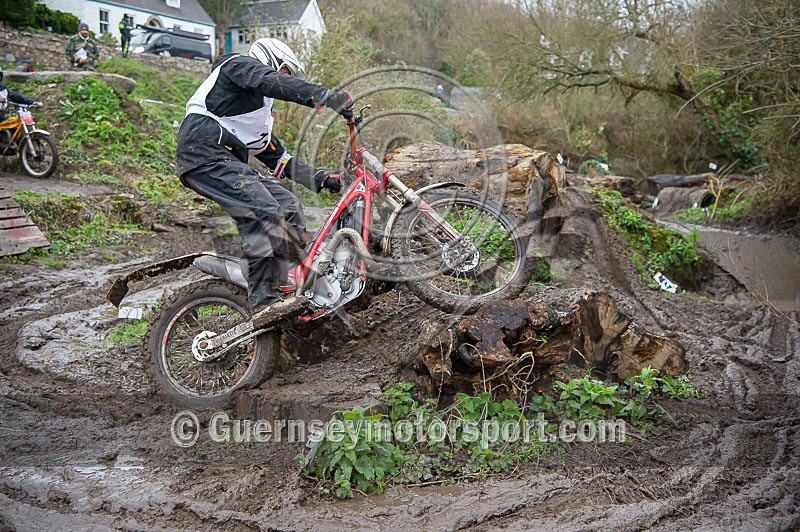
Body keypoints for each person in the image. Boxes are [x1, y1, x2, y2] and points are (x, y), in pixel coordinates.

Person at [175, 38, 354, 325]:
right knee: (264, 211)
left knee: (288, 205)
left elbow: (279, 159)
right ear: (270, 59)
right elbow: (267, 80)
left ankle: (290, 281)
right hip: (204, 151)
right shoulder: (237, 66)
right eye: (285, 72)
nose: (283, 78)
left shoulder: (253, 114)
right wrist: (324, 96)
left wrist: (322, 179)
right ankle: (264, 301)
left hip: (228, 162)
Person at [0, 68, 43, 151]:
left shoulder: (3, 89)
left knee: (14, 127)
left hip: (1, 115)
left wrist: (32, 102)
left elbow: (16, 96)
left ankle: (23, 150)